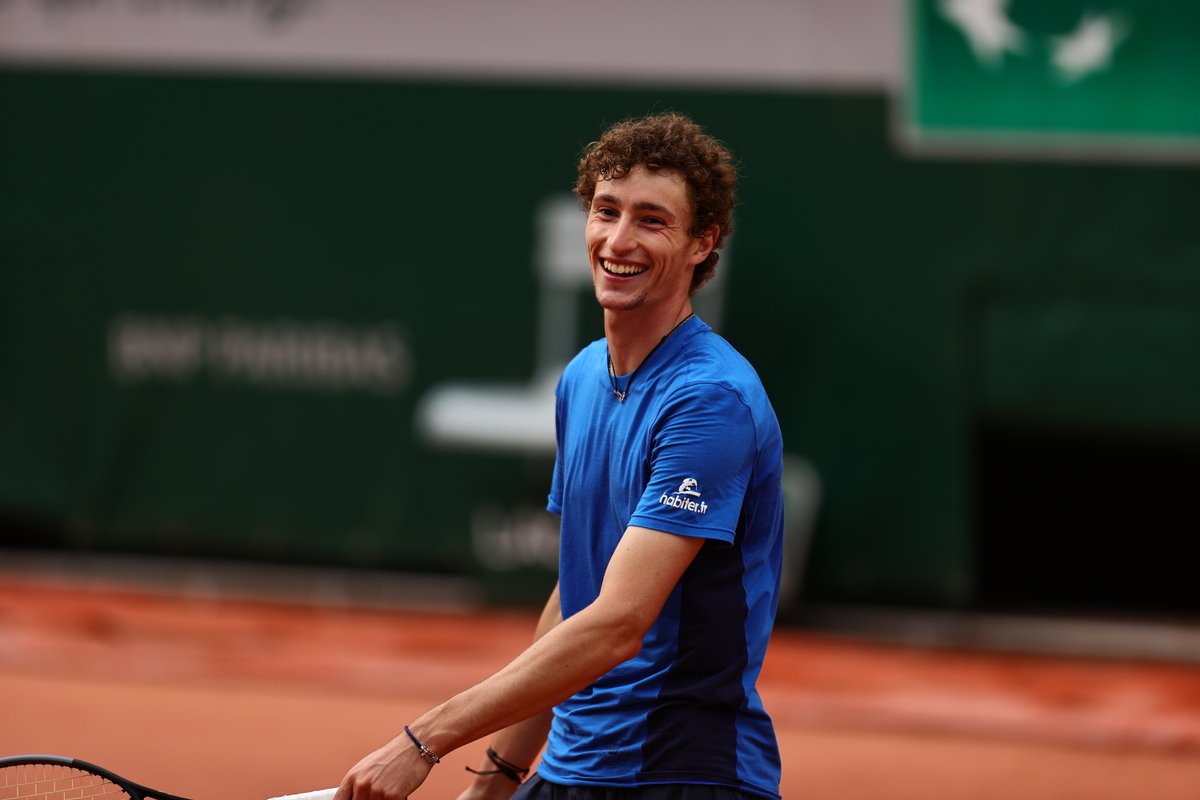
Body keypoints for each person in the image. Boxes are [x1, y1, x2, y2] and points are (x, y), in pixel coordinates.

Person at [335, 112, 784, 800]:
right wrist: (498, 774)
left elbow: (617, 624)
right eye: (606, 211)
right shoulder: (582, 379)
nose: (619, 240)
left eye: (652, 221)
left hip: (679, 772)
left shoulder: (709, 400)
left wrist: (422, 740)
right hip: (571, 767)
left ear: (703, 242)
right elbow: (578, 598)